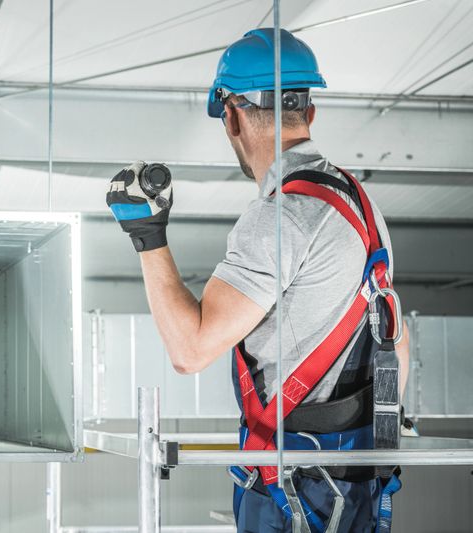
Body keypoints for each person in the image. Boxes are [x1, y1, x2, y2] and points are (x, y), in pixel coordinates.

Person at [106, 28, 410, 532]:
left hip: (297, 491)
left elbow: (189, 350)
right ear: (309, 112)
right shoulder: (362, 205)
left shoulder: (282, 215)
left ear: (231, 117)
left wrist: (147, 234)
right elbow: (393, 336)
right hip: (357, 481)